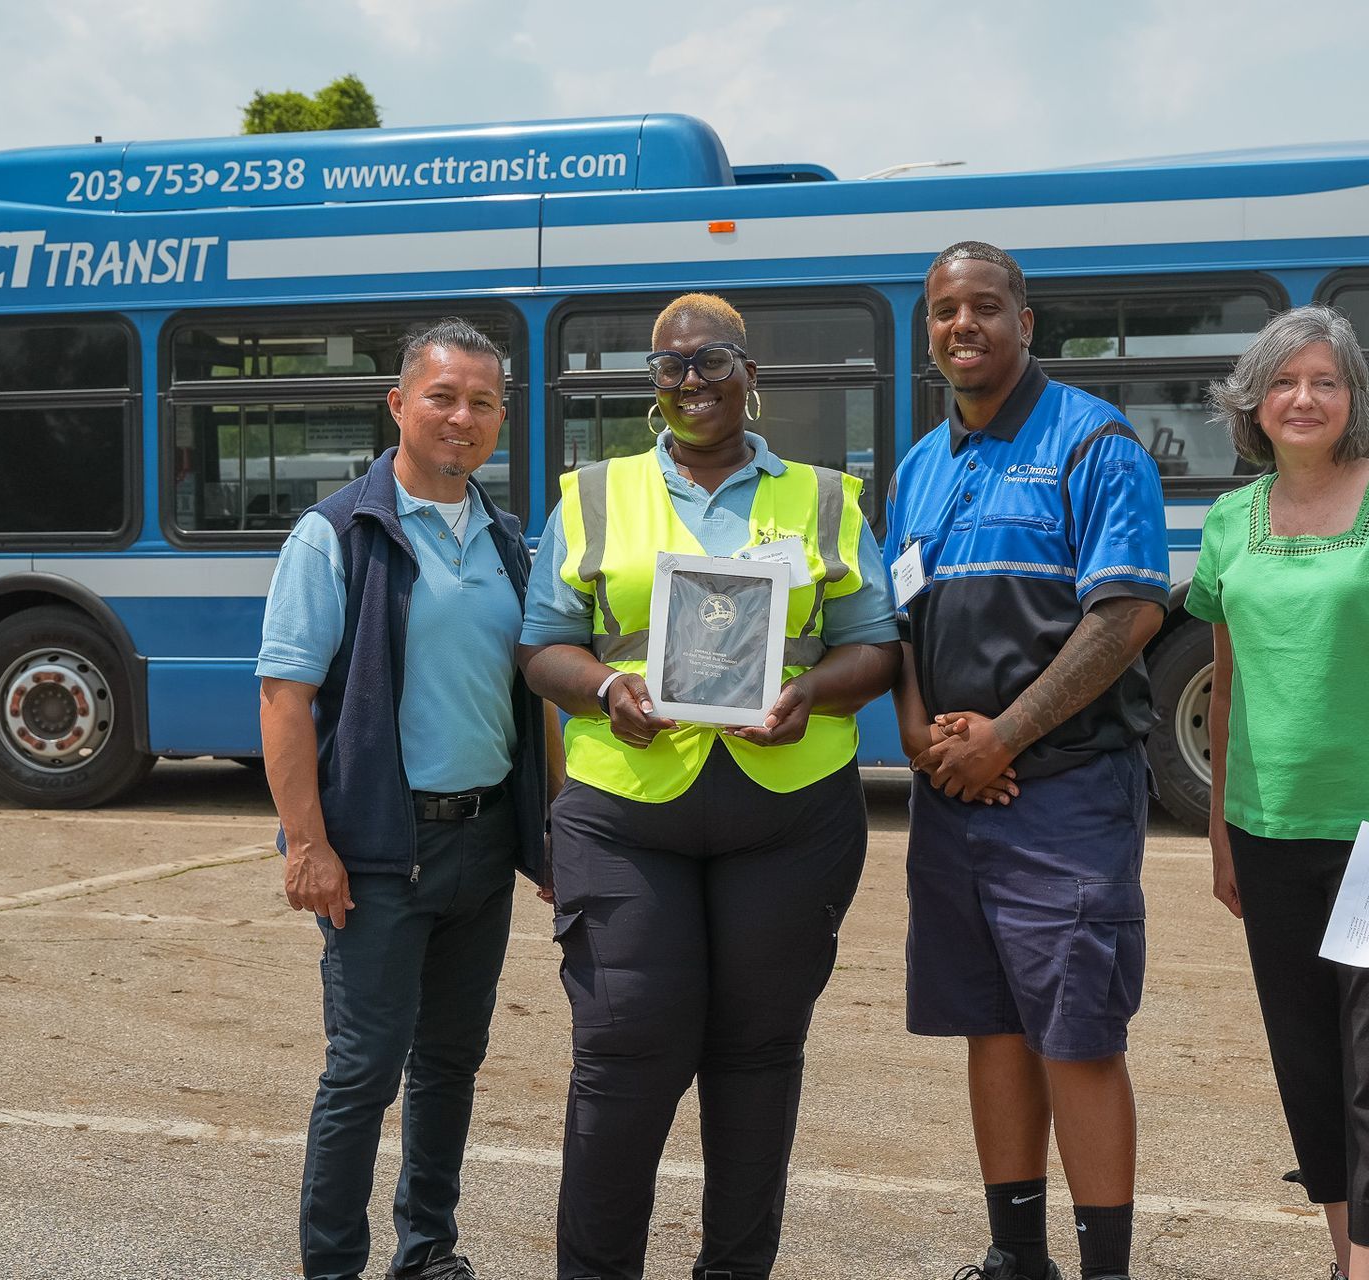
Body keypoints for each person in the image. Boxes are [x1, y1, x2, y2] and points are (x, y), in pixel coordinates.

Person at [518, 292, 901, 1280]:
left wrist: (813, 692)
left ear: (749, 374)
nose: (692, 381)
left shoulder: (825, 497)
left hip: (790, 814)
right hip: (625, 813)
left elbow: (874, 645)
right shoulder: (592, 495)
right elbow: (543, 644)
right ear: (654, 383)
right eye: (671, 366)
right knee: (624, 1050)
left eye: (712, 360)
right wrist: (605, 688)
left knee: (757, 1055)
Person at [885, 242, 1170, 1280]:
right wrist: (919, 735)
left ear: (1025, 321)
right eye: (944, 309)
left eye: (985, 305)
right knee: (992, 1026)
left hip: (1065, 793)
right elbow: (897, 626)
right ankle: (1016, 1257)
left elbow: (1127, 613)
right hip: (952, 798)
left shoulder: (1094, 441)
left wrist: (1003, 736)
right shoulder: (918, 467)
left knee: (1077, 1034)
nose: (963, 324)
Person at [257, 318, 548, 1280]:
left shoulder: (509, 540)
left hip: (482, 845)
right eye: (442, 397)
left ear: (501, 416)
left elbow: (531, 700)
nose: (463, 417)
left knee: (451, 1064)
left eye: (483, 402)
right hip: (379, 852)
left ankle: (427, 1252)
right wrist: (308, 845)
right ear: (398, 404)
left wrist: (544, 838)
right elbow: (283, 699)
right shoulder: (335, 534)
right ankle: (333, 1265)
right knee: (364, 1070)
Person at [1186, 304, 1369, 1280]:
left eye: (1325, 381)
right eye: (1283, 381)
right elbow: (1225, 691)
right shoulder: (1229, 523)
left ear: (1354, 399)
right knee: (1308, 1063)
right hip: (1267, 834)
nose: (1303, 398)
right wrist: (1221, 834)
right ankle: (1349, 1258)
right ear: (1251, 402)